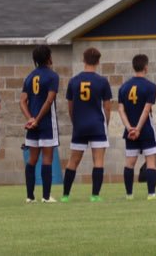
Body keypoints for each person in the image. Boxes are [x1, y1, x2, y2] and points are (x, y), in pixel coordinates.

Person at [61, 48, 112, 203]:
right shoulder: (102, 81)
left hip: (80, 125)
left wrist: (75, 122)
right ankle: (95, 195)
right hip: (97, 124)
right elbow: (107, 107)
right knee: (98, 160)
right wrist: (106, 124)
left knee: (73, 161)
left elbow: (70, 106)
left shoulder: (74, 81)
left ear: (83, 60)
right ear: (98, 61)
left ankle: (65, 195)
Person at [117, 55, 156, 200]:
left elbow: (121, 110)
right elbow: (146, 110)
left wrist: (130, 128)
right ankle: (151, 194)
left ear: (133, 67)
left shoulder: (124, 87)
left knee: (130, 162)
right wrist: (138, 129)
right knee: (151, 160)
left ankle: (129, 194)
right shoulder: (150, 86)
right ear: (146, 67)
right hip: (146, 129)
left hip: (129, 131)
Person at [20, 45, 60, 203]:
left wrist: (30, 118)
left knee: (32, 159)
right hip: (46, 123)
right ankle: (46, 196)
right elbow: (49, 100)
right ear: (49, 57)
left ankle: (30, 196)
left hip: (32, 125)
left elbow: (22, 101)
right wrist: (37, 119)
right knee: (47, 159)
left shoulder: (29, 77)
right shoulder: (52, 76)